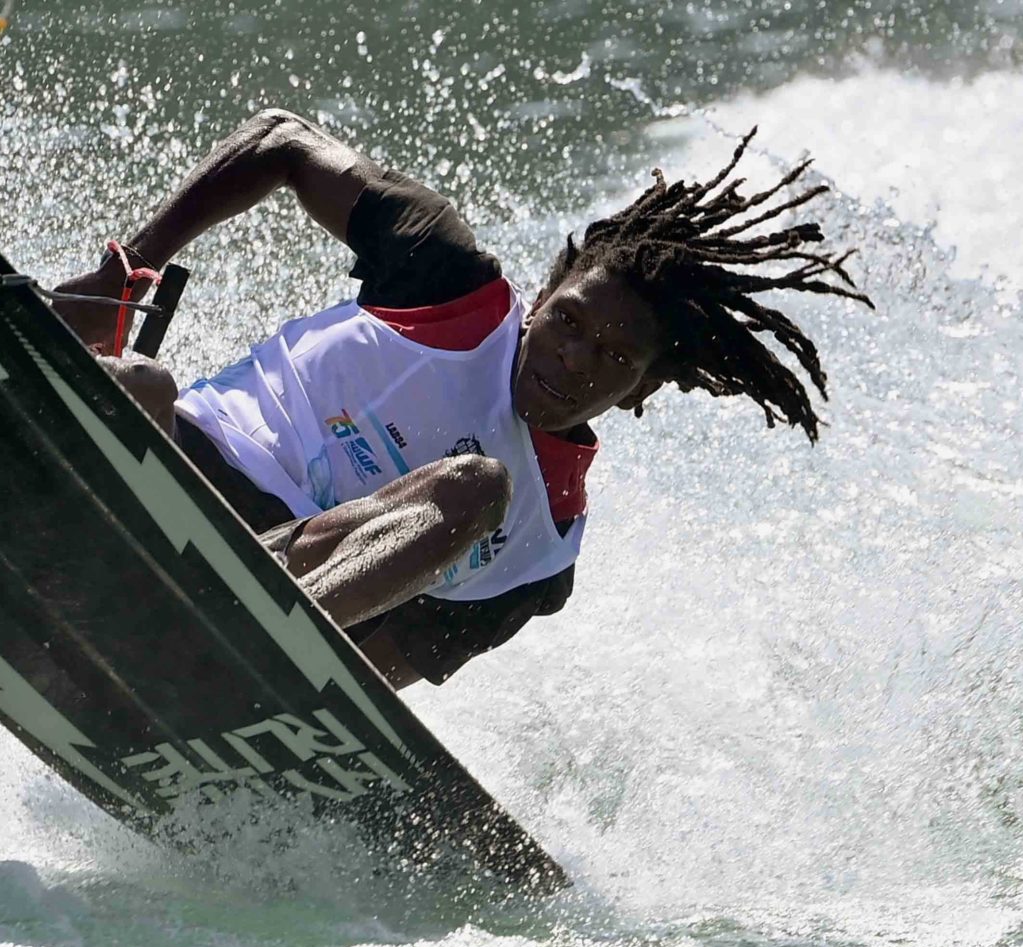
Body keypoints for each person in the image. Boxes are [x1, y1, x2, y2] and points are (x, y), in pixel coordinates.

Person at [51, 109, 869, 689]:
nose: (574, 359)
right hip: (172, 464)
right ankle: (20, 413)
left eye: (615, 358)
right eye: (570, 322)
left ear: (641, 391)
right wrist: (132, 270)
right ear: (542, 296)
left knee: (478, 486)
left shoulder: (542, 545)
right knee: (141, 382)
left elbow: (378, 680)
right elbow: (281, 140)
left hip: (276, 571)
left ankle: (264, 645)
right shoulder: (444, 278)